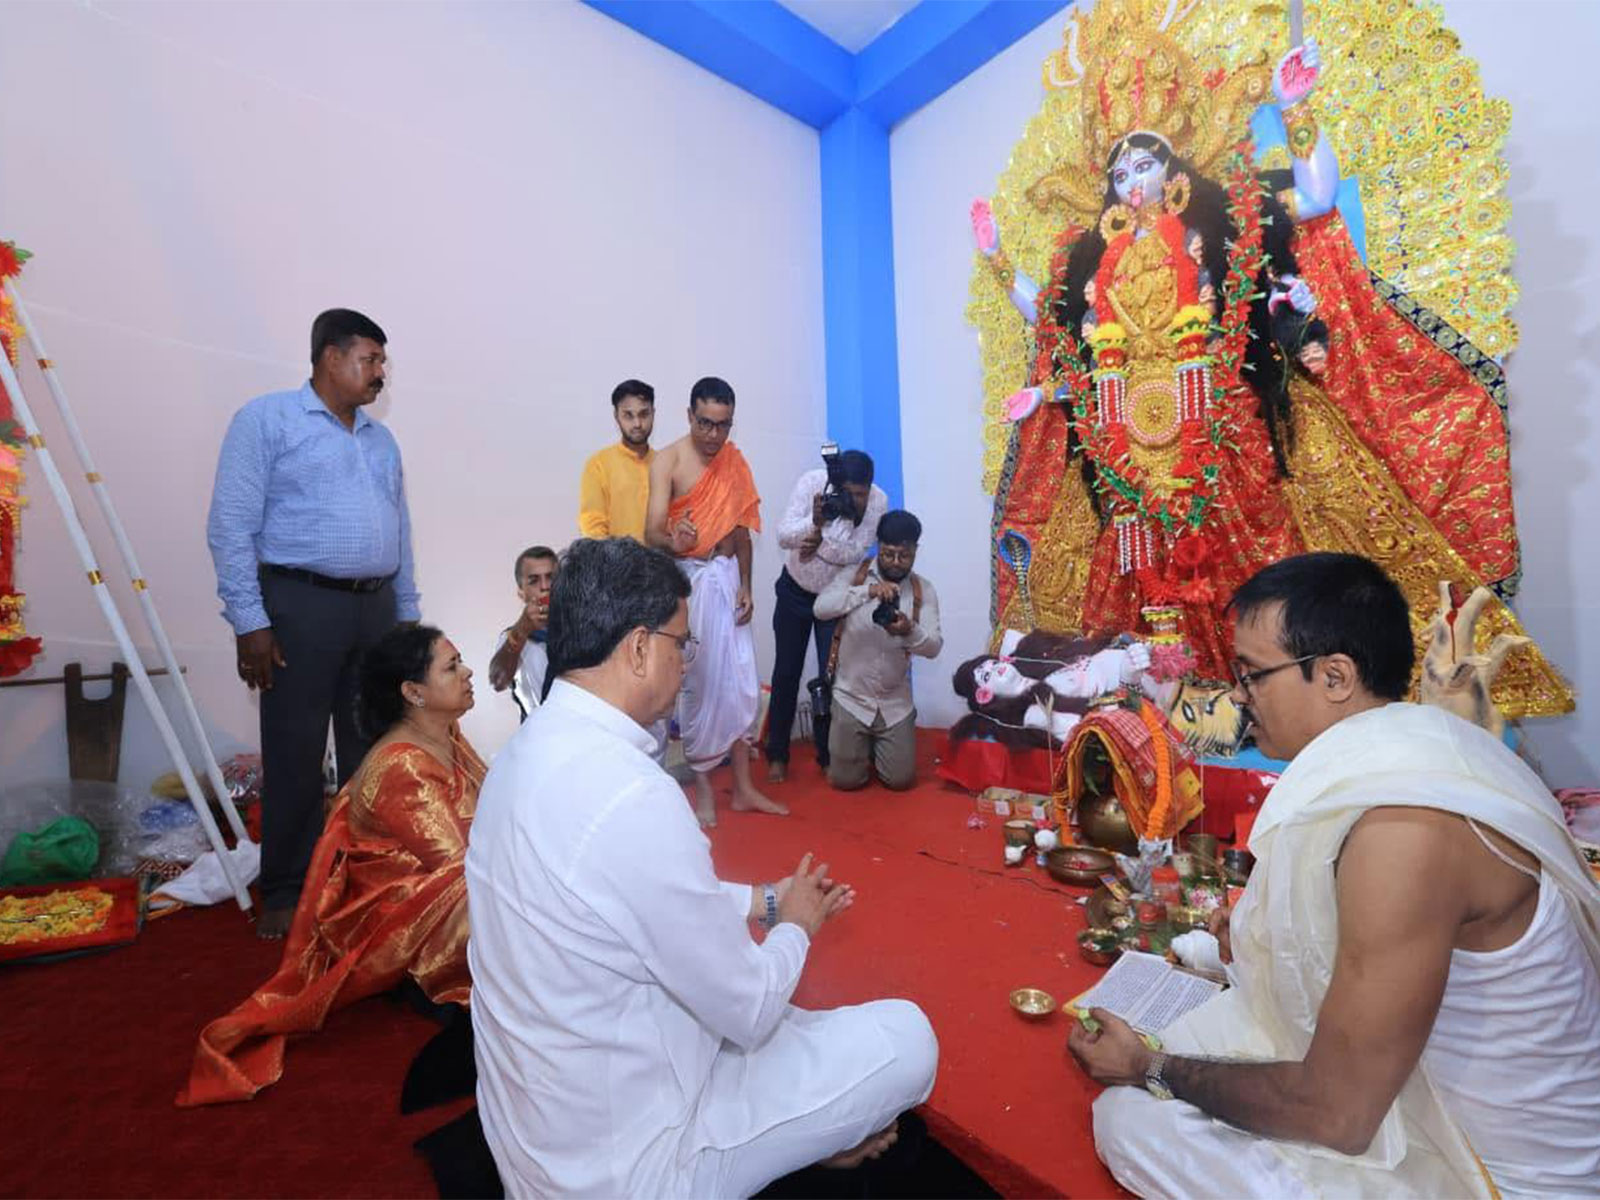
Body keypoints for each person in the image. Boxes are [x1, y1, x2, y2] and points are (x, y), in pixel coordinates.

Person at [1069, 553, 1600, 1198]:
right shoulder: (1423, 750)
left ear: (1336, 676)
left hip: (1498, 1176)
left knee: (1132, 1121)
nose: (1238, 696)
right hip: (1404, 1090)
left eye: (1252, 674)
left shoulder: (1407, 830)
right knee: (1207, 1038)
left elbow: (1337, 1116)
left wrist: (1149, 1068)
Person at [465, 537, 938, 1197]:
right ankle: (811, 1137)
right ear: (638, 649)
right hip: (633, 1163)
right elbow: (749, 1009)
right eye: (681, 644)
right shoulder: (632, 793)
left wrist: (764, 900)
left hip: (542, 1128)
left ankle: (806, 1127)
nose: (687, 663)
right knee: (908, 1038)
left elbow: (641, 896)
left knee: (798, 1028)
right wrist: (796, 924)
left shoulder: (518, 757)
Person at [178, 624, 483, 1106]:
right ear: (413, 692)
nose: (467, 673)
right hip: (404, 912)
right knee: (515, 908)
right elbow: (460, 866)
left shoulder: (445, 736)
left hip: (444, 882)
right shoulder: (404, 765)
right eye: (452, 667)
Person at [207, 308, 419, 939]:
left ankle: (361, 877)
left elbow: (402, 536)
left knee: (371, 749)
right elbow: (230, 526)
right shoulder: (266, 421)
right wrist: (250, 620)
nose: (380, 373)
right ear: (331, 356)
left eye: (382, 362)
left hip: (375, 607)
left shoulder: (381, 440)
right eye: (371, 359)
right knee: (295, 750)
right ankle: (288, 888)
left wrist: (407, 622)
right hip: (300, 605)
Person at [645, 375, 780, 826]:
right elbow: (651, 533)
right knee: (700, 686)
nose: (713, 435)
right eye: (705, 423)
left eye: (722, 425)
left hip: (727, 578)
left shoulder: (734, 460)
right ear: (689, 416)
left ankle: (742, 788)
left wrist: (747, 585)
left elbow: (741, 531)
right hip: (691, 582)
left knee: (740, 684)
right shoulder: (666, 461)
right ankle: (704, 790)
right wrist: (674, 540)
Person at [765, 449, 887, 782]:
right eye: (850, 494)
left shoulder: (878, 502)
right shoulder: (812, 483)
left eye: (861, 494)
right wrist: (815, 523)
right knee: (786, 673)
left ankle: (827, 755)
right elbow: (783, 535)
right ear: (836, 484)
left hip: (834, 599)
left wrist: (818, 541)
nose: (856, 501)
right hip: (794, 591)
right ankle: (777, 754)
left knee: (830, 679)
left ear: (870, 487)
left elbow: (854, 553)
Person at [813, 510, 942, 792]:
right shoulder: (854, 575)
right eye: (888, 554)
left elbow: (934, 647)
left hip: (895, 703)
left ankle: (875, 747)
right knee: (844, 782)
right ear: (878, 545)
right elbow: (820, 609)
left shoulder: (923, 590)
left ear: (916, 551)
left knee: (901, 781)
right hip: (851, 696)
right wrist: (867, 592)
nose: (895, 562)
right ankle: (862, 747)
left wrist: (909, 630)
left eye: (904, 556)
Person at [577, 379, 655, 541]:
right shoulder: (598, 465)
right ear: (616, 416)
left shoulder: (665, 464)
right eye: (628, 415)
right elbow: (593, 528)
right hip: (612, 557)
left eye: (643, 414)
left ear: (653, 413)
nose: (637, 424)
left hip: (660, 557)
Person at [487, 545, 556, 720]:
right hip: (540, 732)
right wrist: (521, 630)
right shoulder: (514, 637)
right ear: (521, 593)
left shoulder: (585, 632)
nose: (545, 587)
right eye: (534, 581)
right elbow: (498, 682)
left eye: (551, 577)